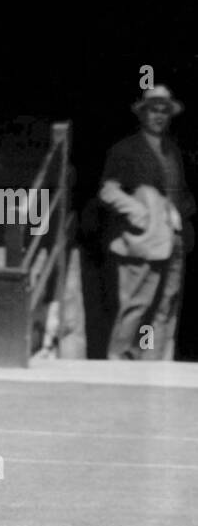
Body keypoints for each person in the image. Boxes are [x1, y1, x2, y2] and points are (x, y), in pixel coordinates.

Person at [98, 86, 194, 360]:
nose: (159, 116)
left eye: (164, 111)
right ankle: (119, 361)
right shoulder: (126, 150)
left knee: (165, 305)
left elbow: (178, 193)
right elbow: (109, 190)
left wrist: (181, 213)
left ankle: (152, 362)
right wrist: (137, 212)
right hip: (142, 240)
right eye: (154, 110)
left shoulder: (172, 151)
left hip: (173, 239)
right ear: (142, 113)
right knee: (138, 303)